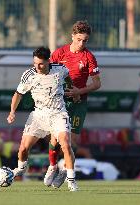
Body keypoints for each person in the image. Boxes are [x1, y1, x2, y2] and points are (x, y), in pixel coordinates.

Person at [7, 47, 78, 191]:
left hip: (58, 113)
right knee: (23, 149)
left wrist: (73, 90)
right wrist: (12, 112)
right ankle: (21, 169)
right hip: (39, 115)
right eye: (35, 63)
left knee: (65, 143)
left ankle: (71, 181)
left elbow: (68, 79)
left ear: (48, 61)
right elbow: (18, 94)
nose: (37, 67)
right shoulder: (29, 75)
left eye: (40, 64)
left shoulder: (60, 69)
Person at [44, 20, 101, 188]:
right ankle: (53, 166)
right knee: (55, 139)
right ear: (72, 37)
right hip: (60, 103)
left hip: (79, 103)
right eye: (79, 39)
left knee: (71, 141)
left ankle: (65, 171)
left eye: (85, 40)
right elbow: (48, 76)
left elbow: (97, 84)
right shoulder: (59, 54)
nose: (82, 43)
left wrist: (79, 92)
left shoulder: (89, 57)